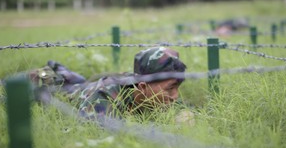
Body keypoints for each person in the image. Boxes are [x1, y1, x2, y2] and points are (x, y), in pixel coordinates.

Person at [28, 47, 187, 119]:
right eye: (170, 89)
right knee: (37, 80)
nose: (175, 96)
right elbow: (105, 137)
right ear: (143, 87)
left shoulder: (156, 91)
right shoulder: (104, 97)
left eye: (177, 87)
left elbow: (185, 108)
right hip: (63, 90)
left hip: (84, 84)